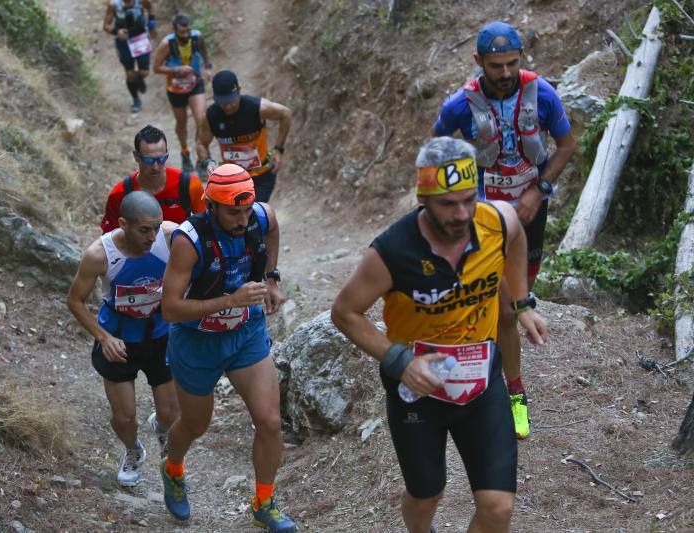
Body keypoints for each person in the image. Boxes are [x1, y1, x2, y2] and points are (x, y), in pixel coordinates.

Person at [331, 137, 548, 533]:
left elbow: (517, 238)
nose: (461, 213)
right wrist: (401, 361)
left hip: (481, 383)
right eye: (448, 204)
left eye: (468, 199)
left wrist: (522, 301)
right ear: (424, 198)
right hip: (419, 389)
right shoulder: (392, 252)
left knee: (497, 507)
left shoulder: (496, 220)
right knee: (426, 495)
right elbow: (345, 312)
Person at [432, 20, 576, 438]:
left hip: (530, 217)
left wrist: (539, 190)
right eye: (496, 66)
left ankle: (498, 384)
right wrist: (455, 204)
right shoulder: (460, 104)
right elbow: (435, 154)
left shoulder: (541, 93)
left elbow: (567, 145)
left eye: (512, 63)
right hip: (480, 220)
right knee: (504, 308)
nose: (506, 73)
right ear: (479, 62)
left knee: (510, 308)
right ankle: (510, 394)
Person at [159, 164, 296, 532]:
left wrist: (271, 279)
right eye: (233, 212)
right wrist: (230, 300)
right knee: (195, 423)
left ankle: (264, 503)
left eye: (246, 210)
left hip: (245, 334)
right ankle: (173, 469)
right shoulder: (189, 242)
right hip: (197, 340)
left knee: (270, 422)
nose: (242, 219)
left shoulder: (259, 217)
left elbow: (273, 227)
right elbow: (170, 309)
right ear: (211, 206)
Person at [67, 190, 180, 487]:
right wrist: (104, 338)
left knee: (171, 413)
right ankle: (133, 450)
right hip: (119, 339)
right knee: (124, 418)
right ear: (123, 223)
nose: (152, 236)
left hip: (160, 335)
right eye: (144, 230)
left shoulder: (168, 238)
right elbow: (75, 301)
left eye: (156, 227)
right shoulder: (99, 255)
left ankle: (163, 431)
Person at [196, 70, 292, 203]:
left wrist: (279, 148)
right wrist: (208, 161)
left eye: (231, 100)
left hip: (261, 175)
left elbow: (285, 114)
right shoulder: (210, 116)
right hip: (232, 178)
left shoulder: (257, 108)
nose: (228, 106)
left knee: (250, 212)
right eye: (222, 102)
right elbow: (201, 143)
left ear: (239, 90)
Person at [101, 125, 206, 234]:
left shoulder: (188, 185)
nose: (156, 167)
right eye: (149, 160)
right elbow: (109, 240)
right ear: (136, 156)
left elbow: (206, 225)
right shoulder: (119, 195)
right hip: (137, 250)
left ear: (167, 153)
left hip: (179, 248)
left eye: (162, 159)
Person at [153, 14, 213, 172]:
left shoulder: (197, 37)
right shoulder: (166, 44)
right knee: (182, 122)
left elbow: (205, 51)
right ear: (174, 30)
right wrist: (176, 70)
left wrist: (207, 67)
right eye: (182, 32)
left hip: (195, 83)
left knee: (202, 119)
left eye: (188, 31)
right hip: (175, 88)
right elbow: (156, 67)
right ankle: (185, 152)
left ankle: (202, 157)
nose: (186, 35)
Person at [103, 0, 157, 113]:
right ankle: (136, 100)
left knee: (144, 72)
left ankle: (139, 79)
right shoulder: (114, 5)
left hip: (140, 38)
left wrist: (151, 26)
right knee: (130, 74)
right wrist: (117, 31)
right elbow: (106, 25)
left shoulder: (141, 1)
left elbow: (151, 7)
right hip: (124, 42)